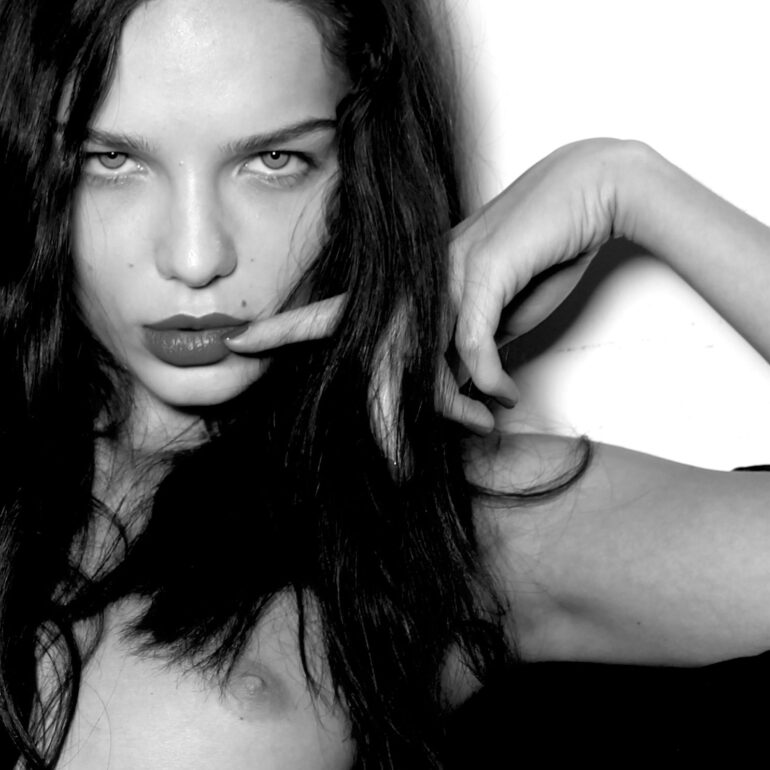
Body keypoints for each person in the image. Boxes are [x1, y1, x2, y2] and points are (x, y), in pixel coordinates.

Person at [4, 1, 770, 770]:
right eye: (111, 161)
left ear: (364, 168)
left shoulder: (428, 520)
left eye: (274, 161)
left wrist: (623, 185)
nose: (196, 256)